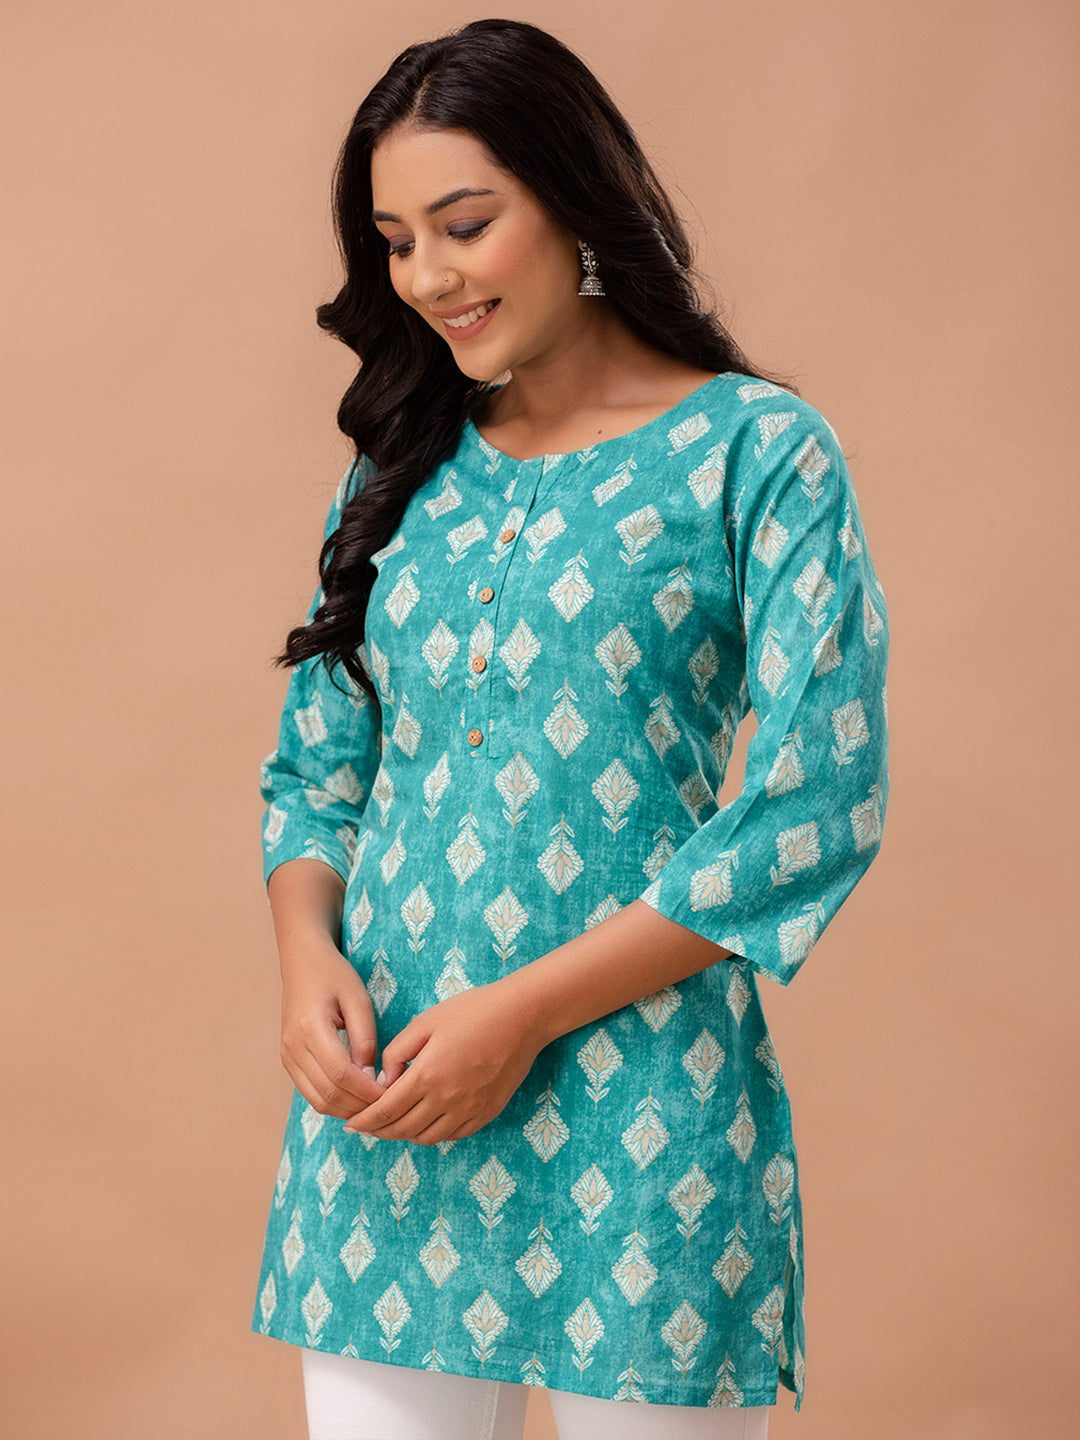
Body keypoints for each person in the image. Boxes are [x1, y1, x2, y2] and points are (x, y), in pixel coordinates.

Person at [250, 18, 890, 1440]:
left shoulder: (756, 453)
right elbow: (315, 770)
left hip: (645, 1119)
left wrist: (521, 1014)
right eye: (396, 242)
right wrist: (306, 967)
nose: (429, 277)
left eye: (465, 224)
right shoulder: (401, 465)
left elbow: (817, 801)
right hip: (392, 1118)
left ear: (576, 199)